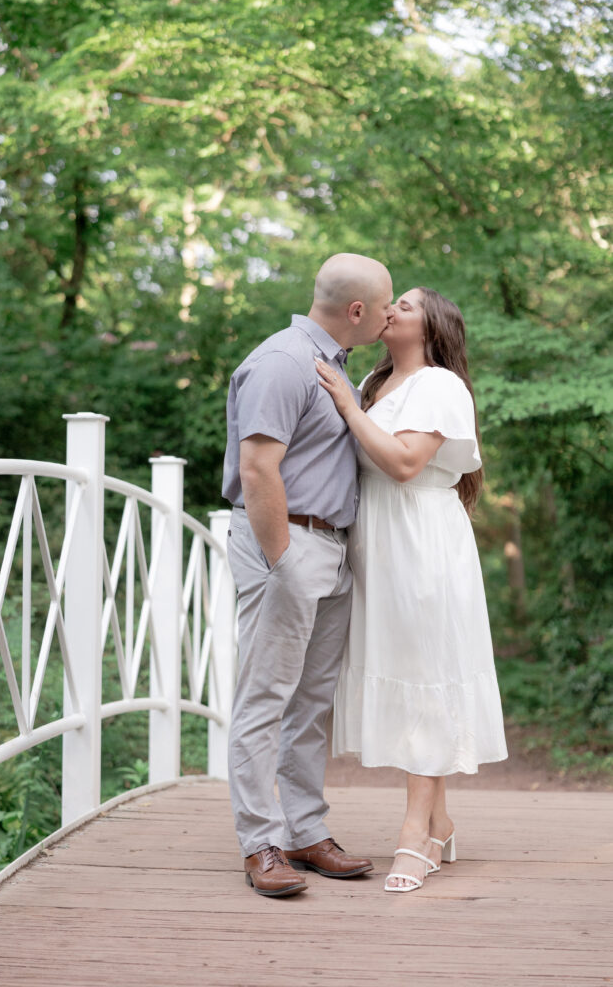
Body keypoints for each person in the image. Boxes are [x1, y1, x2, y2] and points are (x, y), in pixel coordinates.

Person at [315, 286, 508, 894]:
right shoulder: (375, 382)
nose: (390, 308)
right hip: (378, 543)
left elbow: (403, 464)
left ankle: (415, 833)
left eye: (406, 304)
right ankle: (441, 820)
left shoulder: (439, 385)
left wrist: (347, 406)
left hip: (423, 543)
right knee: (412, 677)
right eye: (390, 301)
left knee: (426, 678)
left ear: (433, 325)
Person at [222, 253, 394, 897]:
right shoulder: (283, 362)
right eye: (385, 305)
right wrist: (284, 559)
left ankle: (304, 830)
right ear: (357, 311)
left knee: (310, 704)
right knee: (264, 697)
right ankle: (260, 843)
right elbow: (258, 469)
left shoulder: (335, 366)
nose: (389, 313)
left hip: (330, 548)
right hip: (288, 545)